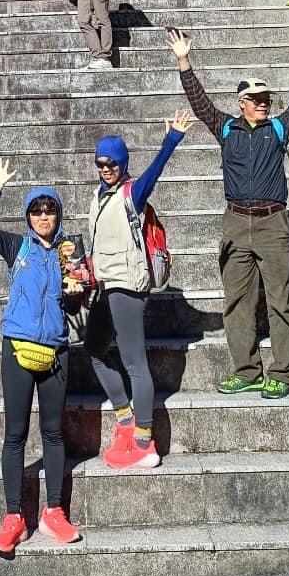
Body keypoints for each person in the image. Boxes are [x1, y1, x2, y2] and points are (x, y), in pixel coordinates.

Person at [167, 24, 289, 399]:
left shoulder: (279, 129)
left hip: (272, 222)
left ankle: (283, 373)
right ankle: (246, 370)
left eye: (266, 97)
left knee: (280, 300)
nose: (263, 102)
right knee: (236, 300)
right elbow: (200, 104)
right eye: (255, 98)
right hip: (236, 221)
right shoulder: (226, 128)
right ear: (241, 102)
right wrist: (184, 61)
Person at [0, 160, 86, 556]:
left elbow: (77, 297)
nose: (43, 216)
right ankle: (13, 517)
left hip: (56, 347)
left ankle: (53, 511)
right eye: (37, 210)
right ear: (28, 216)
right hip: (18, 346)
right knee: (15, 435)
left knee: (53, 432)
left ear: (58, 215)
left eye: (50, 209)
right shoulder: (16, 247)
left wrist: (79, 290)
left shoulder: (67, 252)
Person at [83, 109, 194, 469]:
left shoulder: (132, 194)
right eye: (100, 163)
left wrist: (171, 140)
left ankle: (145, 441)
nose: (105, 168)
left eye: (111, 163)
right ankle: (126, 416)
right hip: (104, 285)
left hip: (128, 288)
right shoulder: (98, 197)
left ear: (122, 163)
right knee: (94, 350)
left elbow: (154, 173)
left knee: (135, 363)